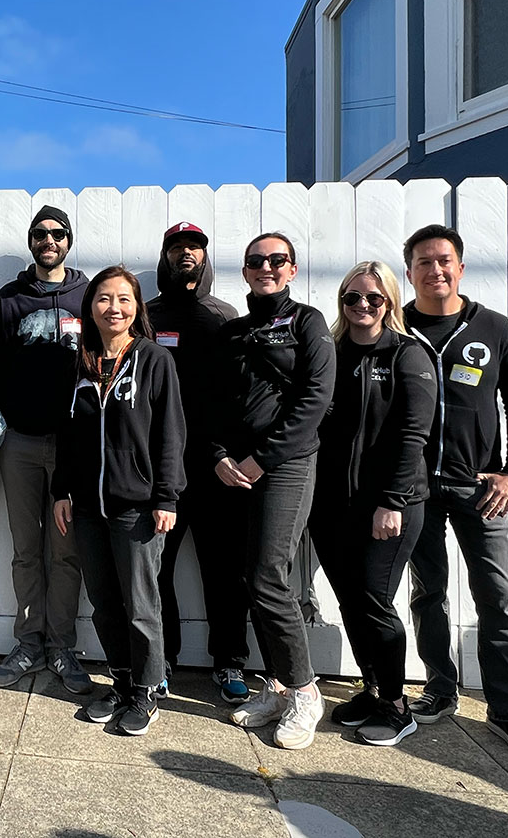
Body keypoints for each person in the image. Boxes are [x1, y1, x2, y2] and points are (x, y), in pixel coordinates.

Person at [402, 224, 508, 762]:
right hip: (417, 488)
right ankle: (440, 690)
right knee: (427, 594)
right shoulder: (398, 327)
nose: (435, 270)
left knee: (497, 600)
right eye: (423, 262)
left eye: (444, 260)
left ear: (460, 267)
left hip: (481, 486)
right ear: (410, 271)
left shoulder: (493, 327)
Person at [213, 232, 335, 750]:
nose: (266, 267)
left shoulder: (308, 322)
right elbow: (214, 401)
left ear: (292, 269)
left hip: (284, 464)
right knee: (251, 577)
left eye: (276, 260)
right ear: (244, 272)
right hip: (236, 469)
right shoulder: (233, 331)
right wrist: (218, 454)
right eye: (256, 261)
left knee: (268, 574)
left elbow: (315, 399)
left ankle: (306, 692)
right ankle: (281, 686)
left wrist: (261, 459)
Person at [52, 266, 186, 735]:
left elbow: (170, 433)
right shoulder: (82, 361)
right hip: (88, 505)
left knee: (140, 604)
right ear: (91, 307)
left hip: (138, 506)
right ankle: (123, 681)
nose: (114, 308)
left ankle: (148, 690)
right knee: (104, 602)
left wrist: (166, 495)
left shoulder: (153, 359)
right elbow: (68, 435)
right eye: (104, 299)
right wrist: (62, 491)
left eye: (124, 299)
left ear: (137, 308)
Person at [310, 261, 436, 746]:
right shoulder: (332, 355)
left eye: (374, 298)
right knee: (351, 600)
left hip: (389, 506)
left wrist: (392, 501)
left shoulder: (407, 354)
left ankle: (397, 703)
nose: (362, 306)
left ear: (389, 303)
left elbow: (412, 436)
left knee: (376, 601)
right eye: (352, 298)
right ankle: (373, 688)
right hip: (332, 505)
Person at [0, 205, 93, 695]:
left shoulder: (88, 296)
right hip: (21, 442)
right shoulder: (10, 298)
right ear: (31, 242)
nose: (49, 240)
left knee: (67, 552)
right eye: (40, 233)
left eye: (57, 233)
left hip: (73, 444)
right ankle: (28, 641)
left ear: (69, 241)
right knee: (27, 549)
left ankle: (62, 646)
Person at [144, 221, 250, 704]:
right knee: (157, 566)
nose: (186, 253)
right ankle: (161, 657)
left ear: (204, 258)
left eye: (194, 247)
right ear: (165, 256)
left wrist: (228, 450)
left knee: (223, 569)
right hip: (162, 468)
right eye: (177, 247)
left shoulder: (225, 317)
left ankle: (229, 661)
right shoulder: (147, 317)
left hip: (216, 467)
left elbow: (239, 395)